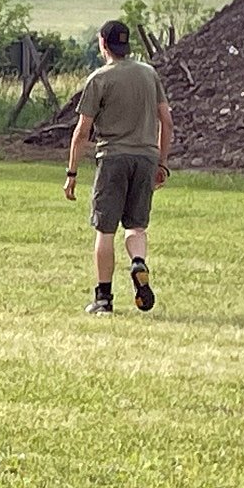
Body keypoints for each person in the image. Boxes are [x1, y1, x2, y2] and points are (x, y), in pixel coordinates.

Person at [64, 18, 172, 316]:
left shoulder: (99, 79)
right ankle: (138, 261)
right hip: (146, 158)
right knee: (136, 226)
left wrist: (72, 173)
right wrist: (162, 162)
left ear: (103, 43)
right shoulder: (149, 74)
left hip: (113, 158)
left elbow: (82, 131)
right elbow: (166, 121)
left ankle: (103, 299)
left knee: (105, 229)